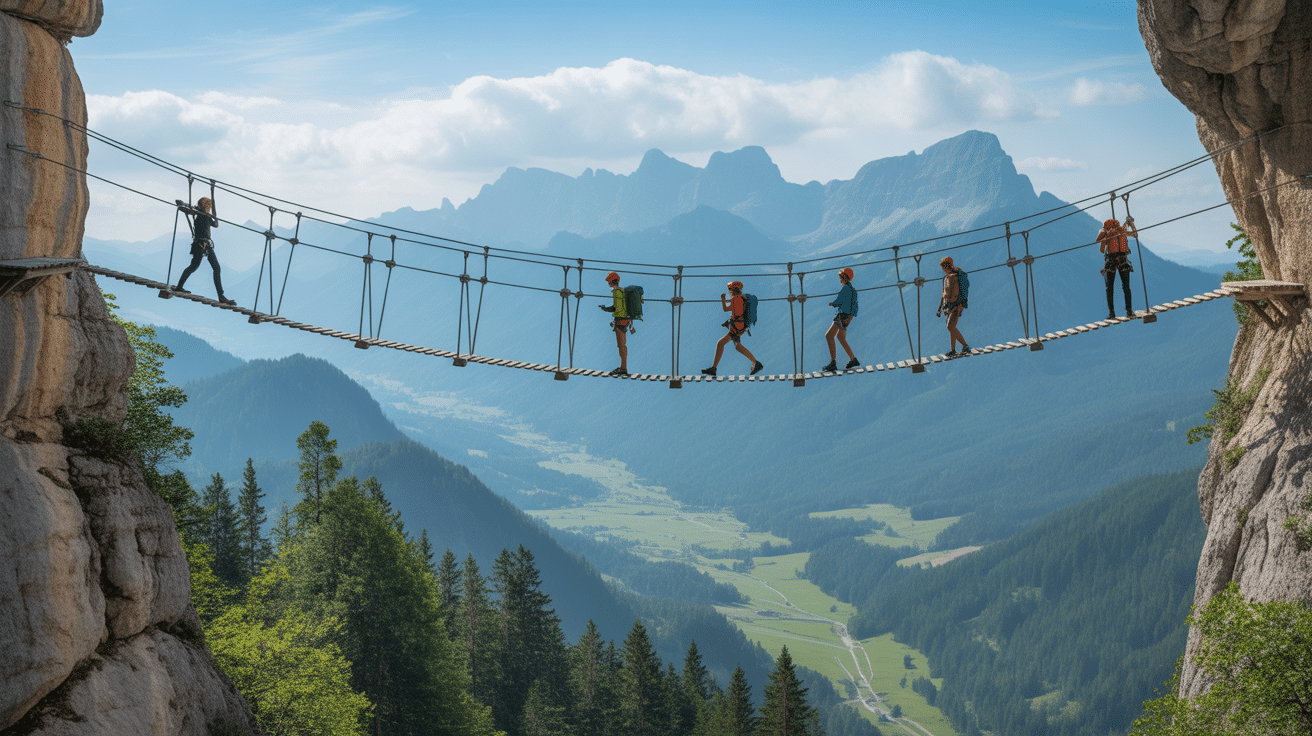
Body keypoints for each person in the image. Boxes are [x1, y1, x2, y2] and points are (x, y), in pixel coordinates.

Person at [173, 197, 234, 305]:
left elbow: (215, 224)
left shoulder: (201, 214)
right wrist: (213, 212)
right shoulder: (202, 214)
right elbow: (216, 224)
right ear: (207, 206)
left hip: (201, 245)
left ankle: (179, 286)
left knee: (196, 267)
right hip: (203, 244)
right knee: (213, 268)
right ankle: (221, 296)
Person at [702, 281, 763, 377]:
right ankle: (755, 363)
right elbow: (735, 310)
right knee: (737, 346)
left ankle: (714, 368)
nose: (729, 291)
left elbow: (726, 309)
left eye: (729, 289)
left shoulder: (735, 299)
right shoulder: (741, 298)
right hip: (740, 325)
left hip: (736, 326)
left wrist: (722, 299)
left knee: (721, 343)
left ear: (732, 289)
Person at [1098, 216, 1136, 319]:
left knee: (1109, 288)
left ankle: (1112, 313)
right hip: (1123, 261)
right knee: (1126, 286)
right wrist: (1131, 224)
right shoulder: (1122, 231)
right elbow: (1135, 235)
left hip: (1111, 262)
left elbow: (1102, 250)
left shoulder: (1108, 235)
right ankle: (1129, 311)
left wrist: (1104, 234)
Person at [821, 267, 859, 372]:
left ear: (845, 277)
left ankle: (833, 363)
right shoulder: (852, 289)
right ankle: (853, 359)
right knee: (841, 338)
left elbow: (840, 300)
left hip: (842, 316)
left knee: (829, 336)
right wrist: (851, 316)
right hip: (848, 317)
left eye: (841, 277)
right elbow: (855, 306)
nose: (840, 279)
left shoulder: (845, 288)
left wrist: (833, 304)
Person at [598, 271, 631, 376]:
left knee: (621, 346)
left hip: (620, 321)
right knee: (623, 345)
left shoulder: (616, 292)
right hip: (626, 320)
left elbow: (617, 308)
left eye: (609, 282)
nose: (609, 284)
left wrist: (606, 309)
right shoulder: (623, 291)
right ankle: (623, 366)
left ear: (612, 282)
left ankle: (623, 368)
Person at [936, 256, 969, 356]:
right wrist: (940, 309)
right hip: (949, 307)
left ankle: (965, 346)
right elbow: (944, 294)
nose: (943, 269)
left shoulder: (953, 278)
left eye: (943, 267)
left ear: (946, 267)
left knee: (950, 327)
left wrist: (954, 307)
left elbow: (954, 294)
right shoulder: (946, 278)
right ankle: (954, 350)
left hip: (955, 306)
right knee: (951, 327)